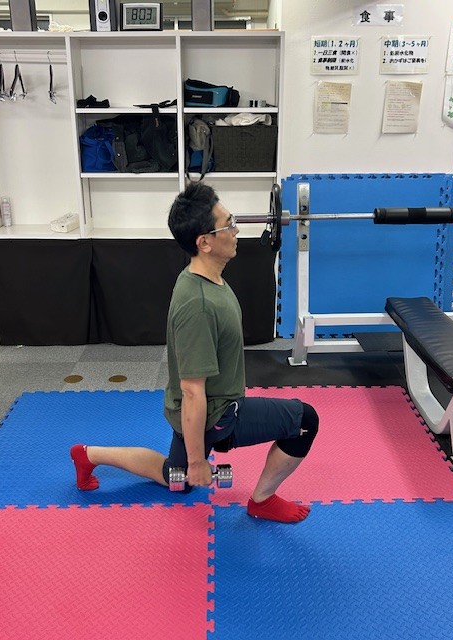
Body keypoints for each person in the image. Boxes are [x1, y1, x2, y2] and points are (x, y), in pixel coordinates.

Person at [70, 182, 319, 523]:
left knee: (176, 476)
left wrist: (192, 460)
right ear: (204, 243)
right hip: (217, 416)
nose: (236, 230)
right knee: (305, 420)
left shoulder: (201, 277)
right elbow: (192, 390)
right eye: (229, 224)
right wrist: (199, 460)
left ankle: (88, 455)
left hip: (188, 411)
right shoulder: (199, 304)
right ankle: (262, 500)